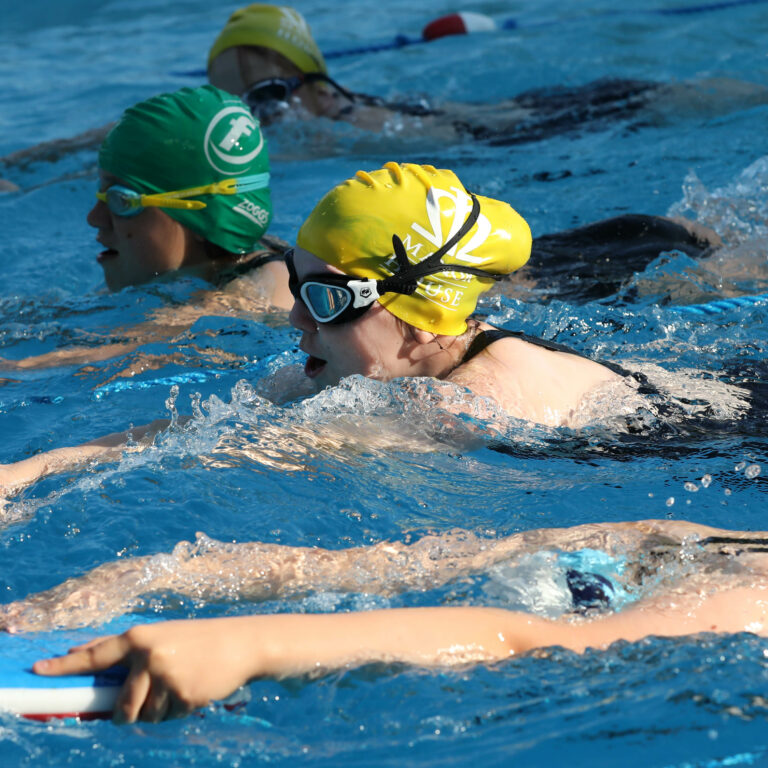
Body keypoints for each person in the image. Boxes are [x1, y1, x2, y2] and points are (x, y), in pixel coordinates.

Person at [11, 518, 768, 723]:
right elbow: (366, 567)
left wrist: (250, 642)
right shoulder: (691, 542)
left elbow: (542, 644)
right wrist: (120, 582)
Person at [0, 85, 293, 372]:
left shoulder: (271, 286)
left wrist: (19, 367)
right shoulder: (187, 269)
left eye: (121, 201)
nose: (94, 218)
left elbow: (155, 342)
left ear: (200, 216)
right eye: (102, 195)